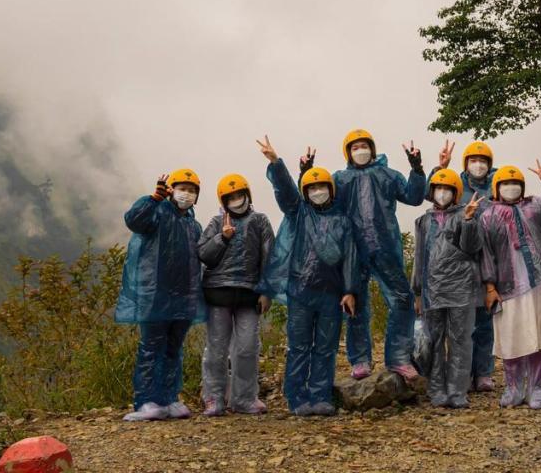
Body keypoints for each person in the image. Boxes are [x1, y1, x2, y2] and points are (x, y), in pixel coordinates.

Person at [301, 129, 426, 380]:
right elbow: (317, 200)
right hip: (351, 250)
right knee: (354, 304)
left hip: (385, 246)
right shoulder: (340, 179)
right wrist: (305, 175)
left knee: (402, 299)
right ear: (348, 152)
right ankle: (360, 360)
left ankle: (399, 357)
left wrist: (417, 170)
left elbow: (414, 197)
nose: (361, 150)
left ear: (373, 147)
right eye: (355, 146)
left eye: (364, 145)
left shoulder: (389, 175)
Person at [257, 136, 359, 417]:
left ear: (331, 189)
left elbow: (350, 257)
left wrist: (350, 290)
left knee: (325, 348)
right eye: (311, 187)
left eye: (321, 186)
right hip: (300, 292)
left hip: (331, 293)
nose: (317, 191)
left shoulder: (343, 221)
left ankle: (320, 396)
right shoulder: (298, 213)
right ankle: (297, 397)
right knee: (299, 346)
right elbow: (287, 192)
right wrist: (276, 163)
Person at [478, 161, 541, 410]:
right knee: (511, 336)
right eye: (505, 183)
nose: (511, 187)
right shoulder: (488, 216)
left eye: (515, 183)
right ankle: (513, 386)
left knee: (539, 334)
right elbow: (485, 254)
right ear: (496, 188)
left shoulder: (537, 207)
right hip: (507, 287)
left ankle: (537, 387)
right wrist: (489, 287)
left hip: (540, 283)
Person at [116, 169, 206, 422]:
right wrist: (152, 199)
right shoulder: (156, 214)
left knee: (173, 350)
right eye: (182, 188)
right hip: (155, 296)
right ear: (170, 190)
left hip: (184, 299)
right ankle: (146, 401)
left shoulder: (193, 225)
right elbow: (133, 220)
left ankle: (169, 398)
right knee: (151, 348)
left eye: (192, 190)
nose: (186, 194)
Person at [198, 173, 274, 416]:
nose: (236, 199)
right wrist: (223, 237)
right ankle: (213, 398)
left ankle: (244, 398)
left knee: (247, 347)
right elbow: (204, 254)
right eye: (230, 197)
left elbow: (269, 258)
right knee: (216, 348)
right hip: (218, 293)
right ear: (223, 200)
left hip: (249, 294)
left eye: (239, 194)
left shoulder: (260, 221)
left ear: (247, 195)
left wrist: (266, 291)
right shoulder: (216, 222)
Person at [412, 168, 484, 408]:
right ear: (432, 192)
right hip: (432, 290)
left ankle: (457, 391)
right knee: (434, 340)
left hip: (462, 288)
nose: (442, 193)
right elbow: (420, 256)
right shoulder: (423, 221)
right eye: (438, 189)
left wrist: (469, 220)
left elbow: (471, 248)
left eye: (448, 189)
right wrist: (418, 291)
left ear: (456, 193)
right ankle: (436, 389)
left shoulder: (465, 214)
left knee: (461, 341)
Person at [433, 140, 498, 392]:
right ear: (465, 164)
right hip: (460, 264)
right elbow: (436, 196)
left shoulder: (496, 188)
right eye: (473, 160)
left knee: (485, 319)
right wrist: (440, 167)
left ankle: (484, 372)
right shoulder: (456, 186)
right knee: (462, 324)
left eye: (483, 161)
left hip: (488, 258)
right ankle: (464, 373)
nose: (478, 165)